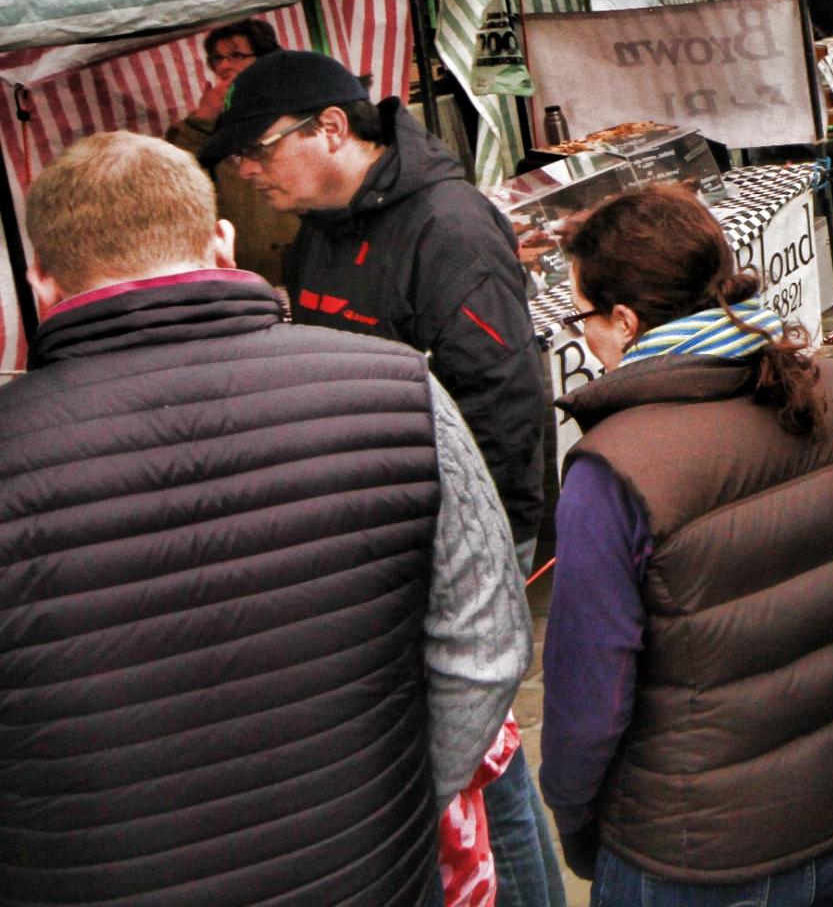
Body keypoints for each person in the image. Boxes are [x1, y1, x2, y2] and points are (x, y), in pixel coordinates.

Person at [0, 132, 530, 907]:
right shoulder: (398, 389)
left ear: (42, 282)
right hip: (368, 872)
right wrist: (398, 805)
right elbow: (484, 647)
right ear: (222, 242)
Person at [202, 50, 567, 901]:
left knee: (482, 758)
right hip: (374, 544)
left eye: (257, 150)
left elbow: (507, 407)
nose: (246, 171)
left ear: (332, 129)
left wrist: (494, 557)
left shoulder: (448, 227)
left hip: (449, 547)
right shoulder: (317, 232)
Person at [544, 186, 833, 904]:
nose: (582, 337)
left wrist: (574, 815)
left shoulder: (613, 469)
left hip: (696, 857)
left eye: (582, 316)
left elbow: (588, 697)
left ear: (624, 322)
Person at [165, 16, 300, 283]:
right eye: (217, 58)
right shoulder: (200, 126)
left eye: (236, 55)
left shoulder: (297, 111)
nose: (224, 65)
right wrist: (203, 117)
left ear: (265, 60)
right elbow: (174, 181)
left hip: (301, 260)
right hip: (244, 273)